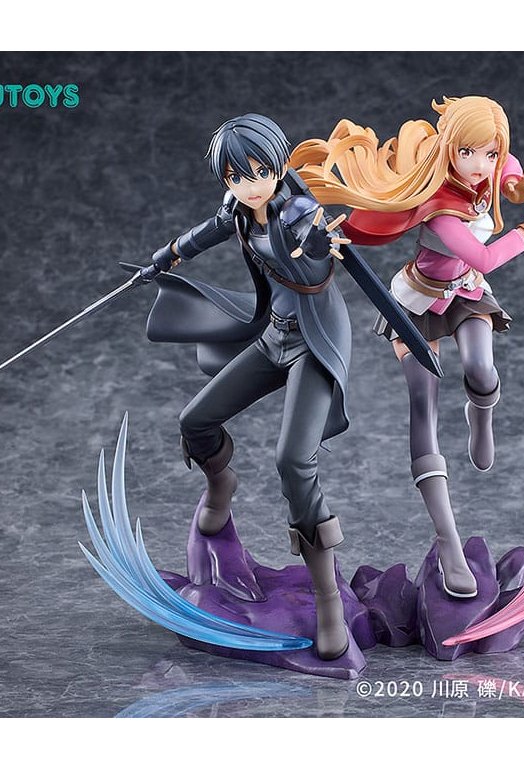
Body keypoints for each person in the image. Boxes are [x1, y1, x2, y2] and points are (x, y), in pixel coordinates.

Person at [291, 96, 524, 599]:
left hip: (466, 293)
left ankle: (480, 413)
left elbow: (508, 167)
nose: (479, 164)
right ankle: (448, 541)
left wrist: (515, 185)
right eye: (468, 153)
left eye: (489, 153)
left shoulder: (488, 168)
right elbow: (484, 256)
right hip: (415, 303)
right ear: (450, 148)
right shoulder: (438, 206)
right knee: (423, 403)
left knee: (481, 371)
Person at [138, 113, 358, 660]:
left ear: (279, 165)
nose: (250, 184)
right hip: (273, 336)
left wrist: (319, 242)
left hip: (314, 342)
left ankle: (328, 600)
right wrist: (167, 255)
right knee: (195, 421)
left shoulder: (299, 212)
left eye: (260, 171)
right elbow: (207, 232)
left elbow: (313, 248)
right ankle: (221, 483)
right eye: (237, 176)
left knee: (294, 462)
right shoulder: (238, 210)